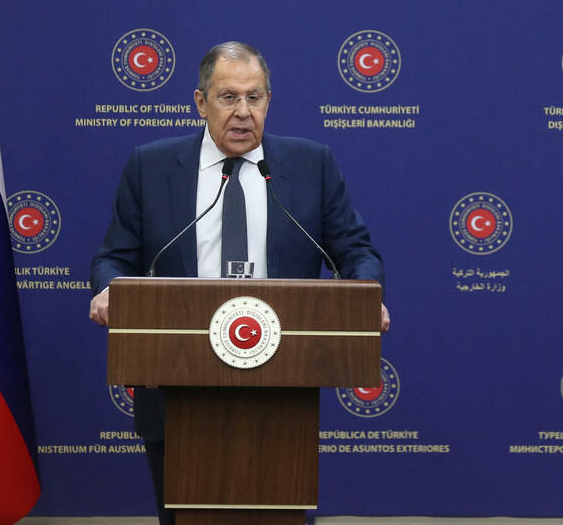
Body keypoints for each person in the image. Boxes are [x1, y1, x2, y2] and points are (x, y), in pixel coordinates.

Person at [89, 41, 389, 525]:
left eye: (255, 97)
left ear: (269, 100)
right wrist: (109, 290)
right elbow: (115, 257)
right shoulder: (151, 166)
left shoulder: (310, 164)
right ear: (200, 102)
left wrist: (365, 295)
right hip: (175, 383)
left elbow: (355, 250)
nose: (243, 112)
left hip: (282, 386)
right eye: (228, 97)